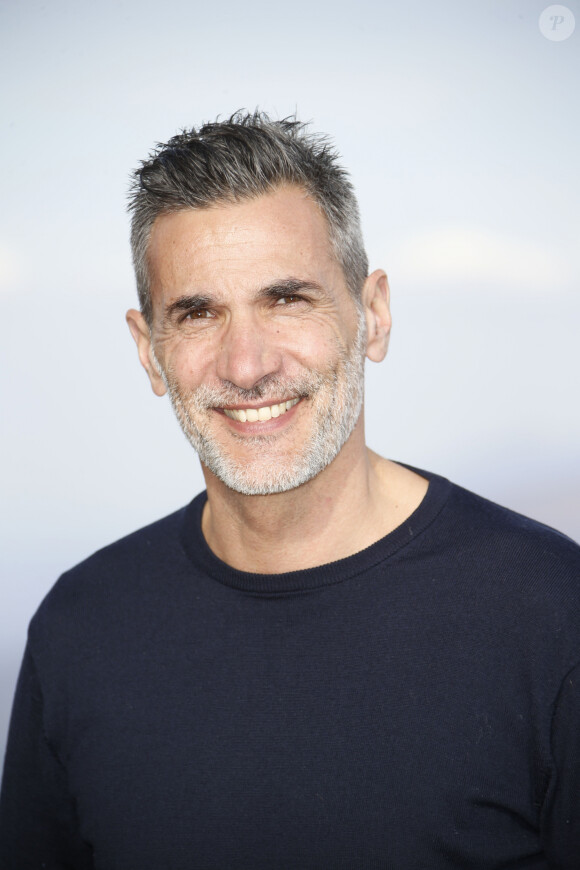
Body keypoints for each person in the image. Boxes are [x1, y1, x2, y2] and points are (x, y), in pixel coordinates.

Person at [1, 112, 579, 869]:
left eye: (286, 299)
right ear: (149, 353)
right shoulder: (80, 632)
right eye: (199, 313)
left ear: (372, 314)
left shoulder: (550, 613)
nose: (246, 366)